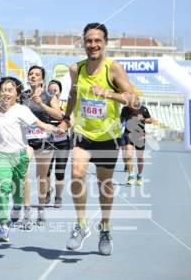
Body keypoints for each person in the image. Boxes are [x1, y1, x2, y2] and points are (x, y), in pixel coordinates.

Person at [60, 22, 138, 256]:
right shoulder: (77, 69)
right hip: (83, 134)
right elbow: (74, 93)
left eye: (97, 41)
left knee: (104, 185)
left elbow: (134, 101)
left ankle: (105, 227)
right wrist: (66, 117)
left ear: (105, 43)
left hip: (108, 137)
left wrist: (109, 94)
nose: (92, 45)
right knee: (76, 173)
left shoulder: (113, 69)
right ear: (83, 42)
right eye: (89, 40)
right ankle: (82, 225)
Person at [0, 77, 63, 242]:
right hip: (2, 156)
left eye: (9, 90)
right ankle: (3, 226)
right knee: (3, 187)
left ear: (17, 95)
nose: (5, 93)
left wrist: (55, 129)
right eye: (3, 90)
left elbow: (40, 124)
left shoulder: (22, 110)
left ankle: (18, 205)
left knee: (18, 191)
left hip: (20, 156)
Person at [18, 65, 63, 227]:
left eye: (37, 74)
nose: (33, 76)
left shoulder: (49, 95)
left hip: (45, 140)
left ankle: (41, 208)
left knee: (42, 178)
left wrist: (42, 105)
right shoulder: (23, 96)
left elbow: (59, 115)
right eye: (31, 74)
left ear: (42, 79)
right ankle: (27, 210)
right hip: (27, 141)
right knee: (24, 172)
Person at [45, 79, 71, 208]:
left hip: (62, 143)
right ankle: (48, 192)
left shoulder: (66, 105)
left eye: (55, 90)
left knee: (59, 172)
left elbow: (72, 120)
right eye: (50, 91)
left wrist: (63, 126)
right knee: (46, 171)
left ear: (60, 92)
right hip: (47, 141)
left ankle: (58, 196)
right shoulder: (44, 104)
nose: (53, 93)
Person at [120, 102, 152, 186]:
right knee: (128, 154)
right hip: (128, 134)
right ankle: (130, 176)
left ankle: (139, 175)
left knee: (140, 157)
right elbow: (120, 120)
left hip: (140, 135)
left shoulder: (143, 109)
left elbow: (150, 120)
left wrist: (143, 119)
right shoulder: (125, 109)